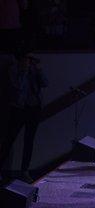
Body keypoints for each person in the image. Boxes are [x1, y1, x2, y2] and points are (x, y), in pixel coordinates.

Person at [0, 49, 48, 183]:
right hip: (19, 109)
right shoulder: (14, 69)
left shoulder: (34, 70)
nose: (29, 61)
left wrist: (38, 70)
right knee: (9, 139)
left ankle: (24, 171)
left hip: (34, 108)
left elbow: (45, 83)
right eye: (27, 58)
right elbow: (18, 87)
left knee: (29, 141)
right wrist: (24, 71)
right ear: (21, 59)